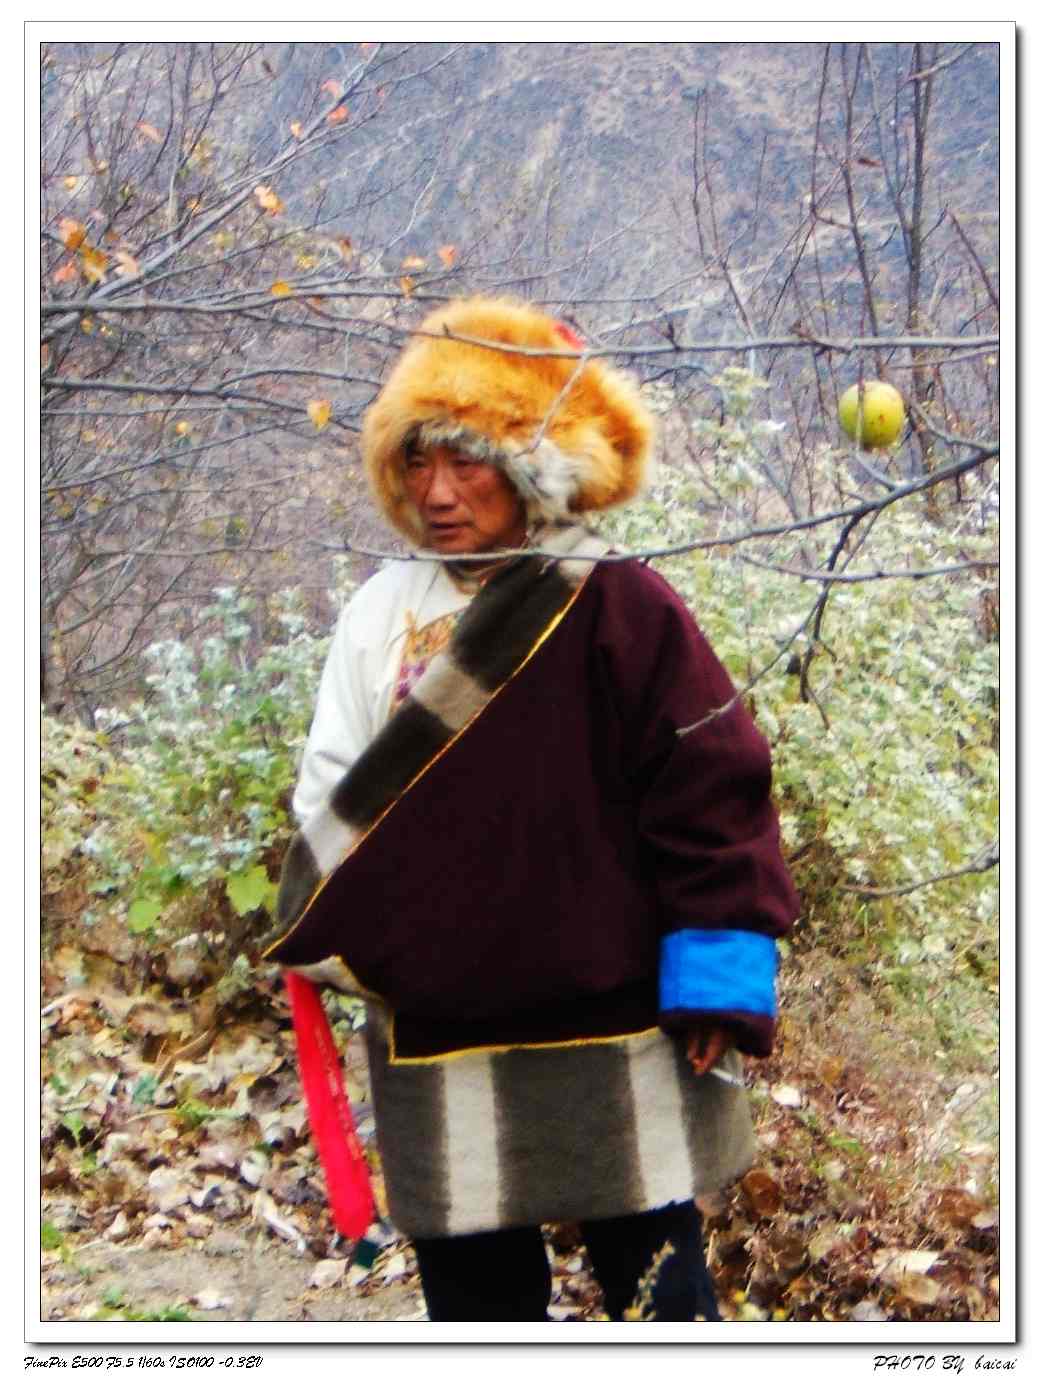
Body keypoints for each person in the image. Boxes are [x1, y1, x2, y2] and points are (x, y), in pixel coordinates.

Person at [268, 296, 800, 1322]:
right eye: (417, 460)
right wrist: (365, 944)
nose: (437, 491)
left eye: (468, 459)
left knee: (659, 1291)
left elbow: (711, 782)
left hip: (614, 1015)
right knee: (477, 1308)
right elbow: (332, 797)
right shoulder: (381, 613)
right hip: (436, 1021)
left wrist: (715, 978)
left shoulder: (617, 601)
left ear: (532, 463)